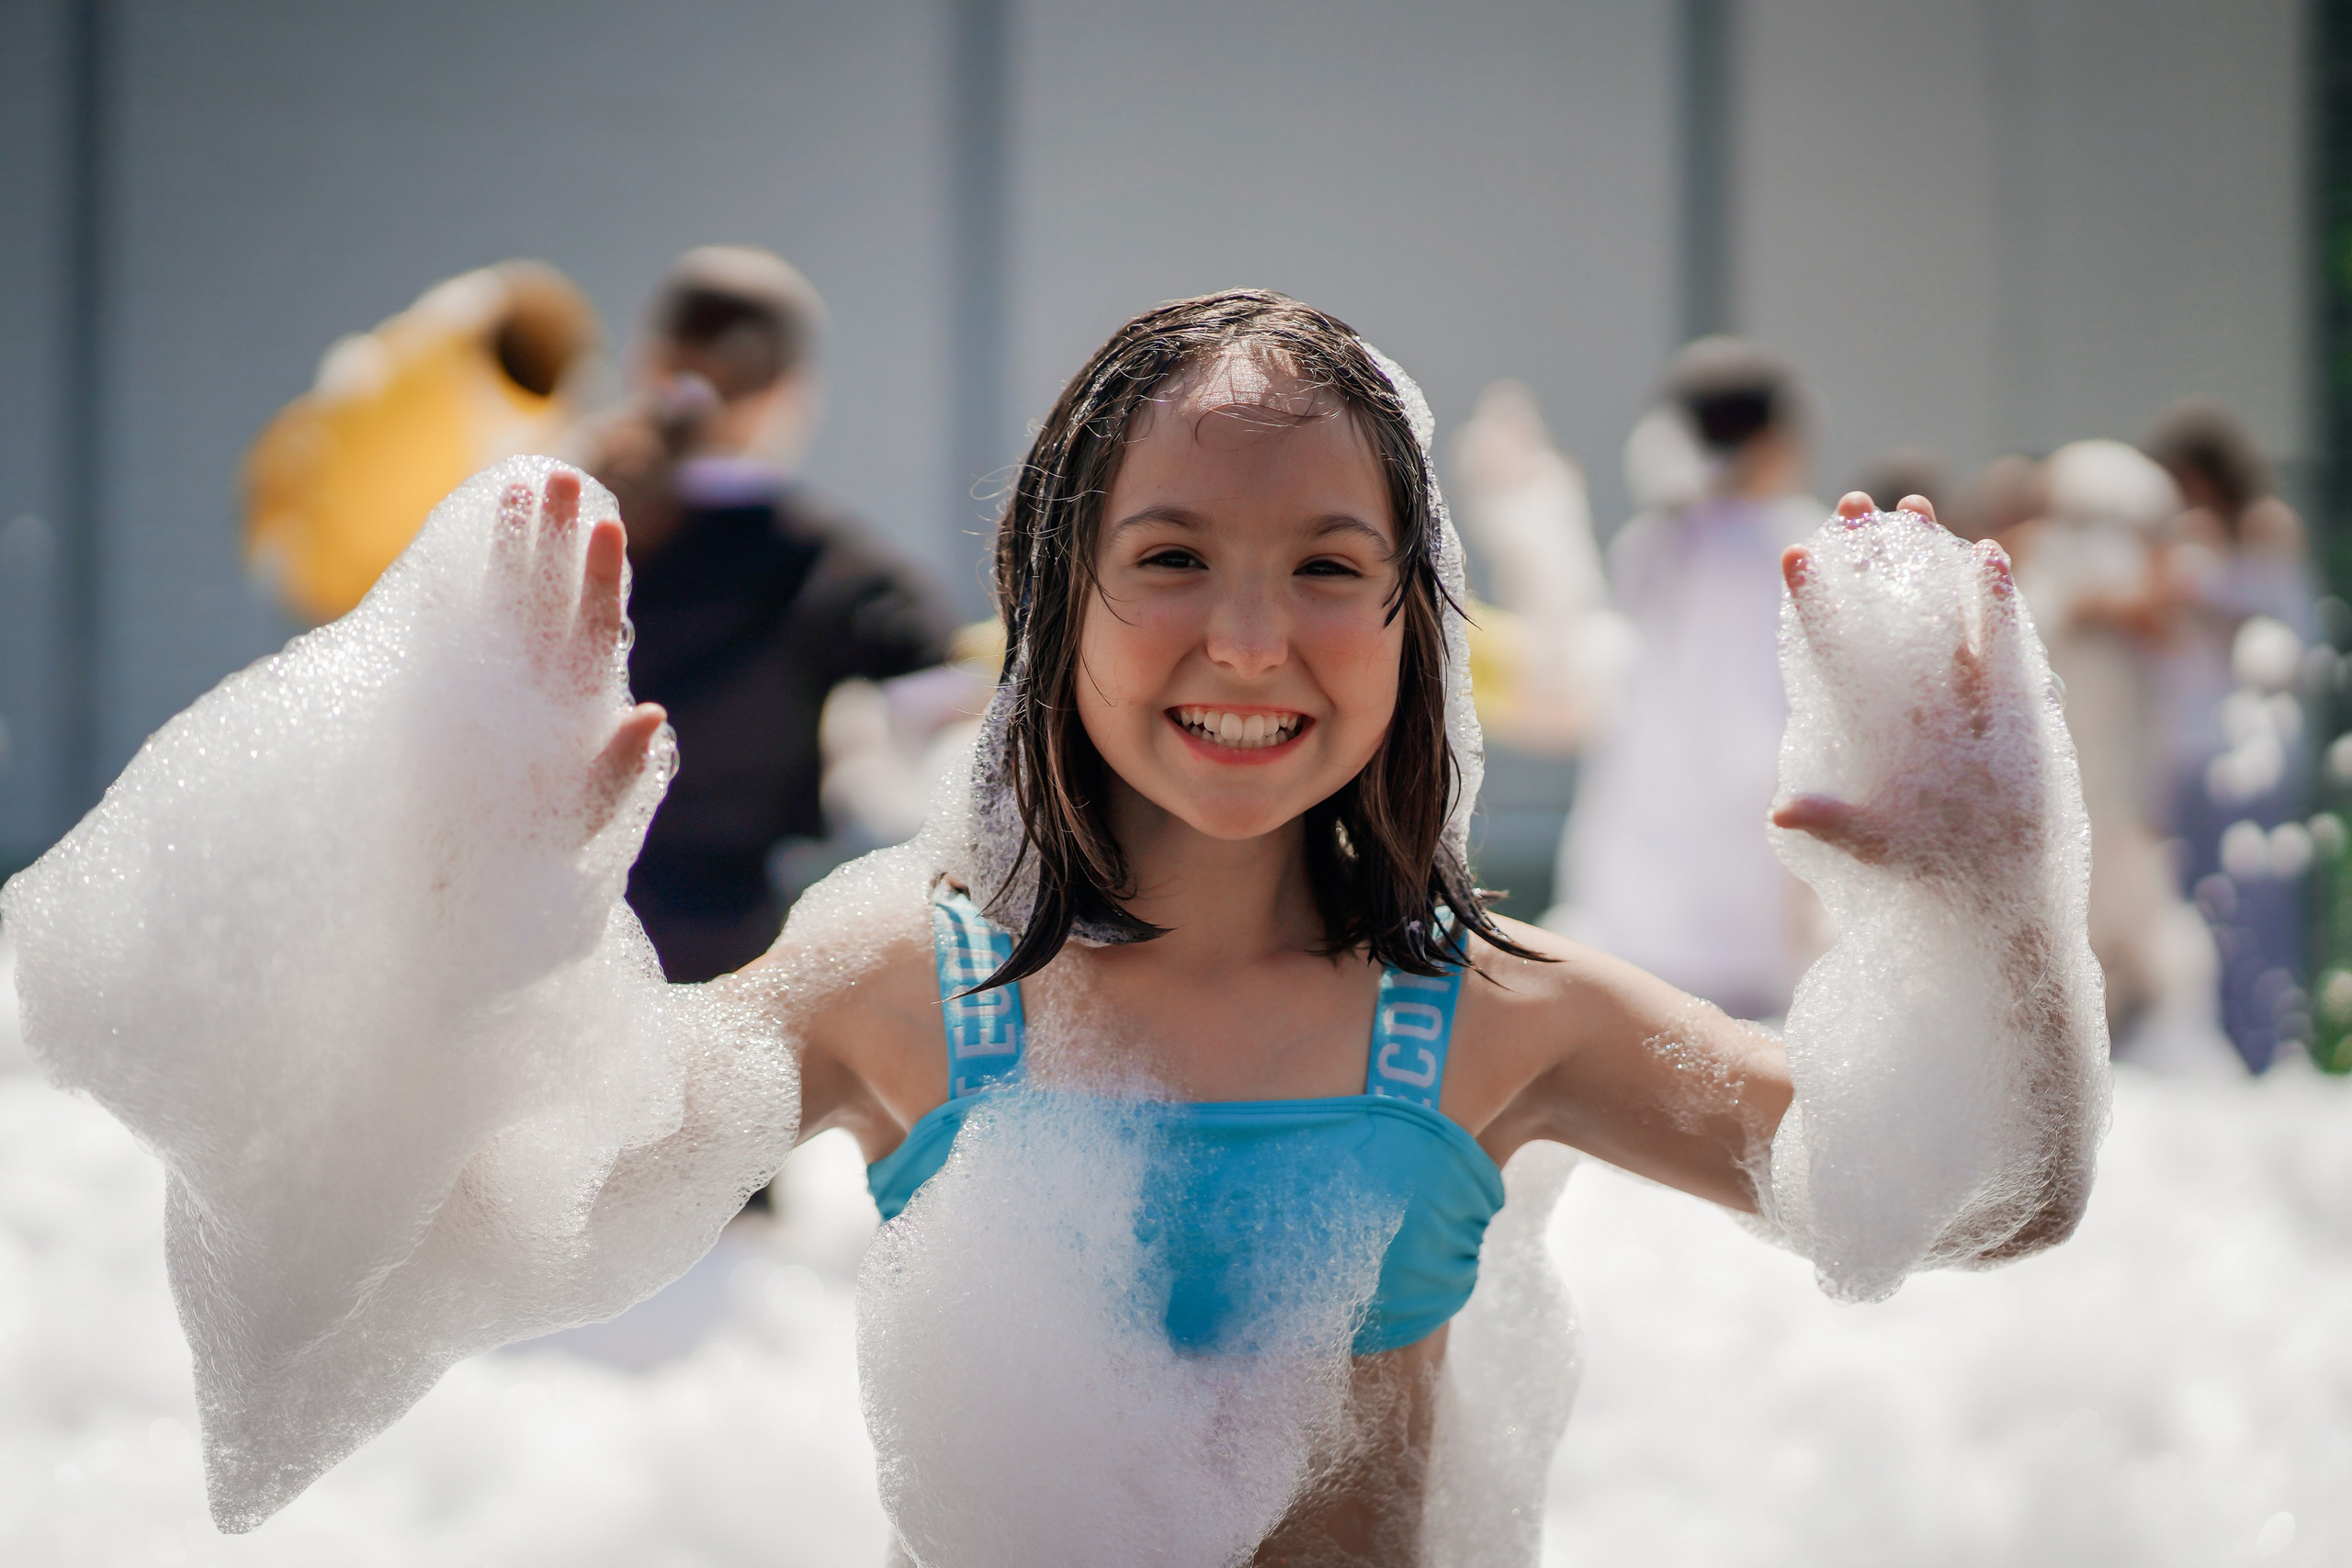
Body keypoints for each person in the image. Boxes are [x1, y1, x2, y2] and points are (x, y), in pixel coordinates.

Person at [4, 292, 2108, 1562]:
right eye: (1167, 556)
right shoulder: (901, 988)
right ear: (1051, 607)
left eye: (1327, 566)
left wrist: (1987, 908)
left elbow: (1957, 1200)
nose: (1246, 637)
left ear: (1409, 619)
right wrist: (465, 903)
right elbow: (469, 1221)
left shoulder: (1486, 1013)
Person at [575, 245, 956, 982]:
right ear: (794, 395)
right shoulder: (834, 566)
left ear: (649, 368)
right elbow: (947, 726)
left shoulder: (576, 535)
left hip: (569, 948)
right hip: (741, 968)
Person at [1545, 338, 1827, 1020]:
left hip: (1645, 825)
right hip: (1759, 820)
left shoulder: (1652, 540)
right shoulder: (1795, 539)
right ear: (1774, 440)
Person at [2142, 399, 2317, 1069]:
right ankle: (2215, 1048)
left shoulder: (2264, 534)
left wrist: (2215, 597)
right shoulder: (2174, 545)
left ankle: (2265, 1048)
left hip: (2252, 760)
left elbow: (2295, 641)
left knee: (2260, 904)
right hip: (2187, 756)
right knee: (2199, 910)